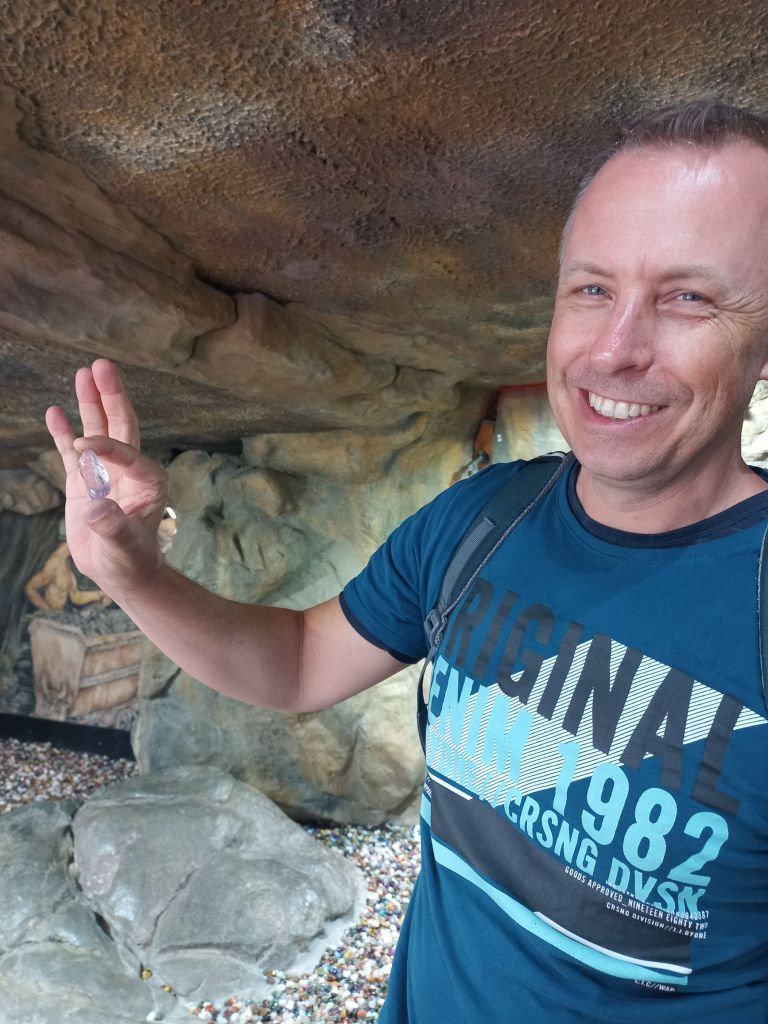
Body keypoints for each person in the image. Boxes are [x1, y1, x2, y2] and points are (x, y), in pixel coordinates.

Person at [46, 98, 768, 1022]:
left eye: (688, 298)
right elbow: (299, 664)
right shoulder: (481, 520)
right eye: (591, 289)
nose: (616, 349)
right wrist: (132, 573)